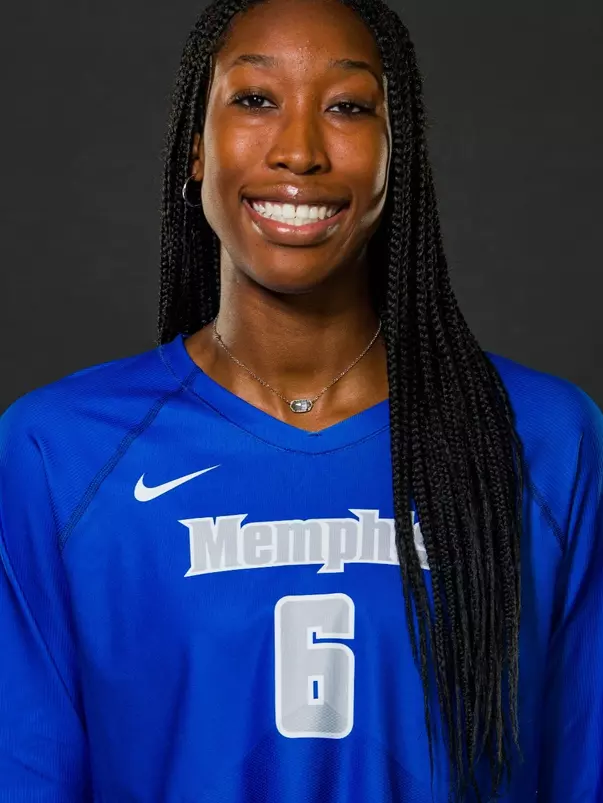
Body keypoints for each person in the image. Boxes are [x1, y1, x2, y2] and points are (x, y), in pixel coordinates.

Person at [0, 0, 601, 800]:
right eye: (253, 100)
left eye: (348, 107)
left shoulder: (546, 443)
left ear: (399, 153)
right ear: (194, 146)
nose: (298, 150)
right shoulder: (59, 452)